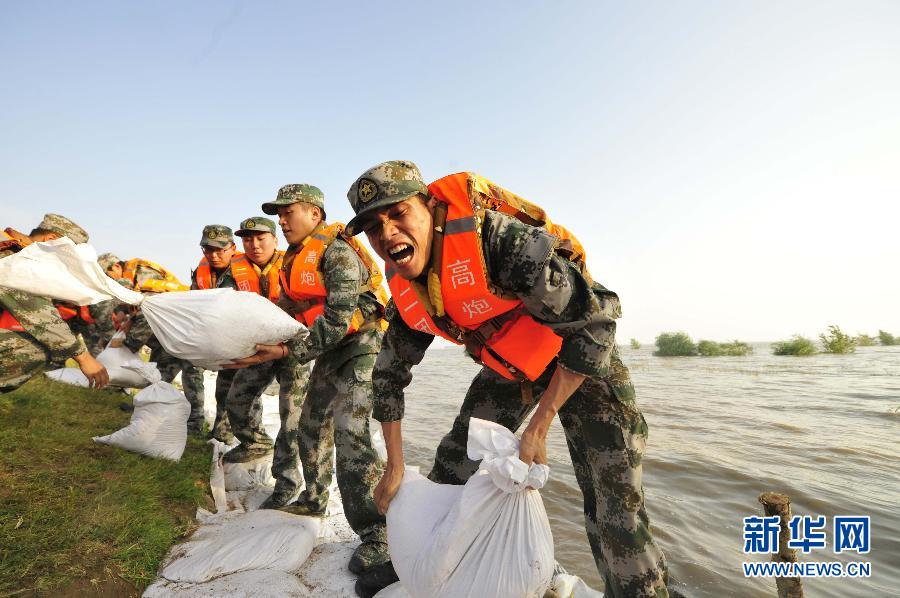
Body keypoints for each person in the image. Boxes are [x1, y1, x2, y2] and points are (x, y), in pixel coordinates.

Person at [342, 161, 671, 598]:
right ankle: (424, 562)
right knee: (452, 467)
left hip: (583, 362)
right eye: (372, 226)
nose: (386, 234)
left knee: (616, 511)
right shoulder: (406, 286)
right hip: (512, 365)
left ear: (428, 207)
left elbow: (596, 322)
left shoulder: (496, 240)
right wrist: (395, 466)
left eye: (398, 213)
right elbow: (387, 376)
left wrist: (539, 427)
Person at [226, 184, 391, 578]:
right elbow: (290, 308)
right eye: (278, 215)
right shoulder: (293, 260)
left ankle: (378, 533)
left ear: (315, 214)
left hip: (365, 345)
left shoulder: (337, 251)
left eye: (289, 213)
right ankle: (315, 499)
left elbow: (337, 319)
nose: (282, 221)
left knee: (352, 433)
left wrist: (284, 353)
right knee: (311, 426)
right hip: (329, 350)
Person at [1, 214, 109, 392]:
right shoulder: (10, 257)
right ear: (51, 240)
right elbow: (38, 312)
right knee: (35, 348)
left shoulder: (12, 247)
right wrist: (83, 357)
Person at [103, 252, 206, 433]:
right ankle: (148, 408)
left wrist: (129, 346)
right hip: (169, 334)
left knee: (192, 376)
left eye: (107, 275)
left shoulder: (143, 278)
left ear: (116, 267)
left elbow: (148, 316)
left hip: (189, 332)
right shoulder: (135, 278)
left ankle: (195, 423)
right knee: (159, 373)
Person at [217, 216, 284, 464]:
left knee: (294, 413)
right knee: (236, 399)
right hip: (257, 348)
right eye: (247, 239)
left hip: (292, 348)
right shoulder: (232, 273)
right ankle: (256, 443)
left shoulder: (291, 264)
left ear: (274, 240)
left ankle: (290, 471)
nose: (254, 245)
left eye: (260, 238)